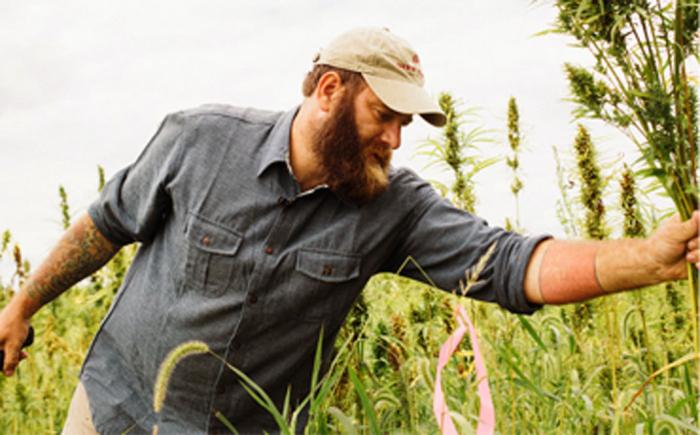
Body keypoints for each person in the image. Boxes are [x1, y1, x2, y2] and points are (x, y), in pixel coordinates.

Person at [0, 27, 697, 434]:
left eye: (405, 123)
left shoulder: (397, 209)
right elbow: (105, 224)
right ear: (329, 90)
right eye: (384, 115)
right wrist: (23, 304)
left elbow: (512, 265)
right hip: (114, 408)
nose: (395, 138)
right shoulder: (199, 140)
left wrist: (648, 258)